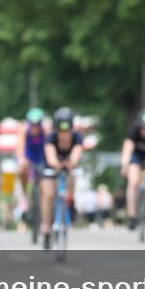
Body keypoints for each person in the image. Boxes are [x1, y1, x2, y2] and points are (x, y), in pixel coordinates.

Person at [41, 106, 84, 249]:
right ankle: (46, 229)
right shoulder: (51, 137)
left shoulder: (77, 138)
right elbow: (50, 156)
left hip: (68, 164)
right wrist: (57, 165)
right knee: (49, 194)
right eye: (61, 131)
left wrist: (72, 163)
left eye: (67, 131)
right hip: (51, 166)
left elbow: (77, 154)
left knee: (72, 176)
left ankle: (70, 203)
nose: (64, 135)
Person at [16, 107, 48, 197]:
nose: (35, 127)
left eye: (37, 124)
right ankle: (24, 195)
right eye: (32, 124)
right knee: (21, 171)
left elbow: (50, 147)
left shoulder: (46, 132)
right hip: (28, 159)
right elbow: (20, 147)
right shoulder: (24, 131)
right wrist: (21, 159)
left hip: (42, 159)